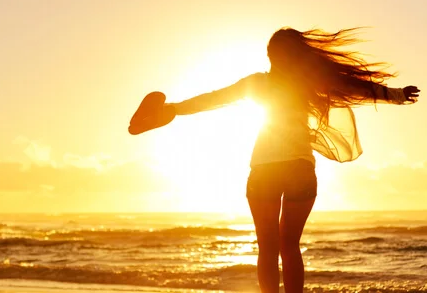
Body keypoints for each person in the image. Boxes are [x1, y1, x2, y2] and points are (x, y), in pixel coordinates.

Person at [164, 27, 420, 293]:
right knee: (290, 246)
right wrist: (397, 95)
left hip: (265, 171)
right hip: (300, 170)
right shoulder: (307, 83)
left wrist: (173, 109)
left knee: (268, 246)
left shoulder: (258, 83)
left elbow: (213, 99)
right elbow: (354, 87)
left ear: (271, 55)